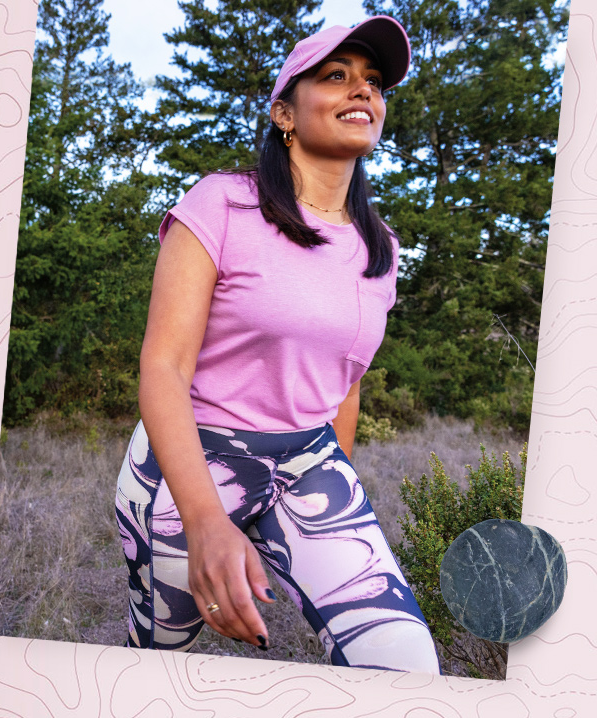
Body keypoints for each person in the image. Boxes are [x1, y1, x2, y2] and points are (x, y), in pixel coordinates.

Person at [115, 15, 441, 674]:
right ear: (283, 113)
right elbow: (163, 365)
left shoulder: (382, 249)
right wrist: (208, 522)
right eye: (336, 76)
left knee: (406, 664)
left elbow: (343, 385)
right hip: (194, 460)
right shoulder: (222, 205)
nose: (363, 92)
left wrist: (322, 506)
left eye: (374, 82)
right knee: (158, 658)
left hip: (309, 463)